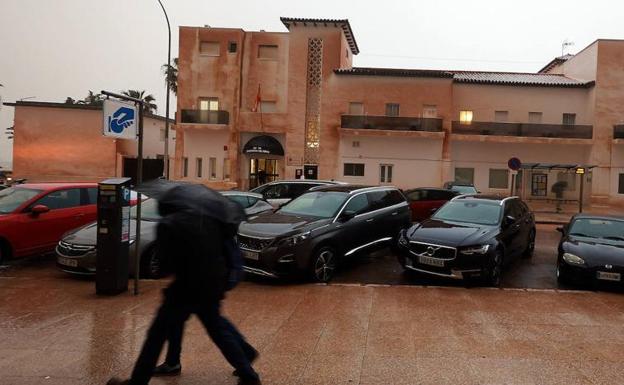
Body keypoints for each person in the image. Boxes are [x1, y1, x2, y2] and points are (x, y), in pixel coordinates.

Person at [107, 189, 261, 385]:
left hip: (185, 288)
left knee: (156, 335)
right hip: (212, 284)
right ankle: (249, 376)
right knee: (218, 330)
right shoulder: (208, 220)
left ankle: (138, 381)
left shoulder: (168, 225)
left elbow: (164, 267)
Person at [150, 233, 258, 379]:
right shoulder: (214, 216)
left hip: (197, 280)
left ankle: (247, 371)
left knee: (211, 325)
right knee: (211, 322)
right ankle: (246, 356)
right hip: (209, 278)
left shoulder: (199, 217)